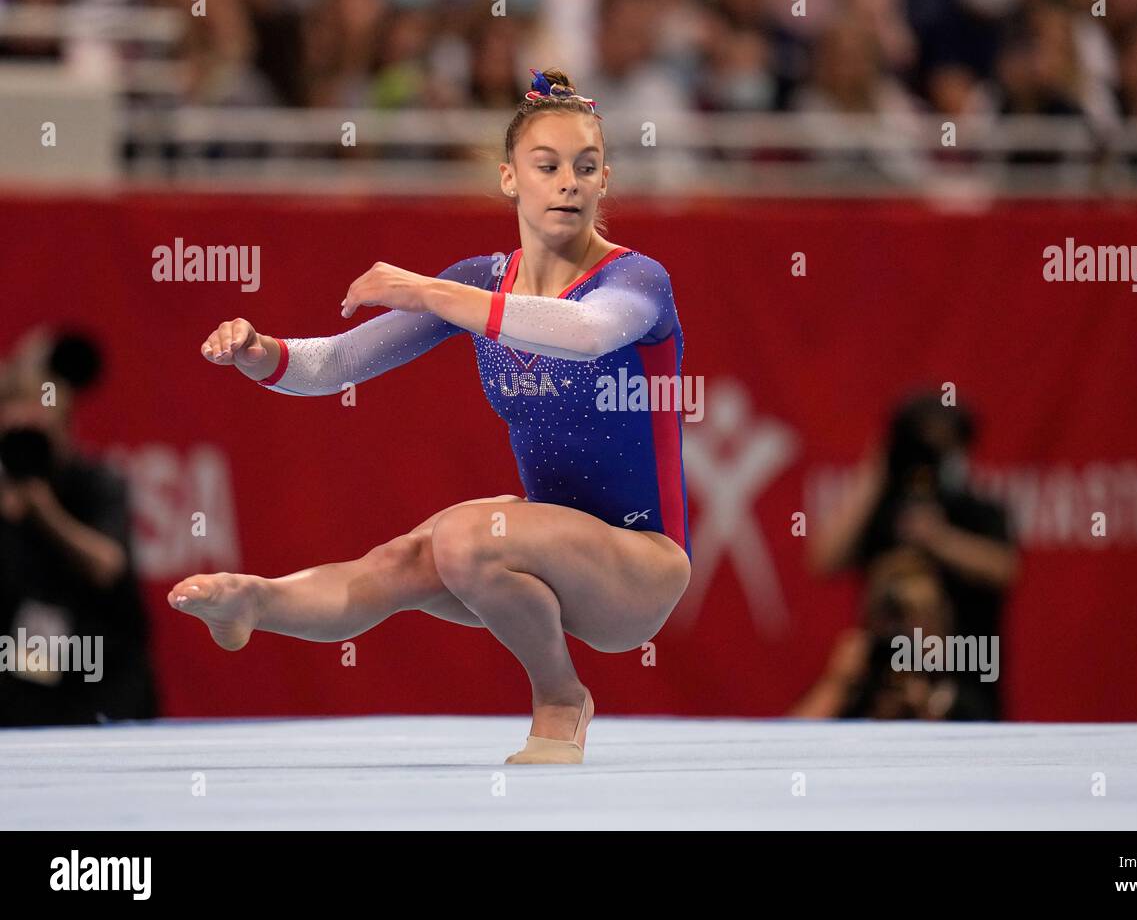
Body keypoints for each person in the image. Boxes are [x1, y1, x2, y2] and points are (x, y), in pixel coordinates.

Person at [170, 67, 692, 764]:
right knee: (405, 560)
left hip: (640, 566)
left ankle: (561, 699)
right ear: (510, 178)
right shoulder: (480, 281)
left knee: (469, 533)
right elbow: (333, 366)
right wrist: (261, 352)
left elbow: (586, 331)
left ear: (604, 180)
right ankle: (255, 604)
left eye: (587, 167)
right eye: (548, 165)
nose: (569, 181)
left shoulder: (636, 281)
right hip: (539, 555)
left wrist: (429, 291)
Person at [803, 393, 1017, 720]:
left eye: (942, 447)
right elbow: (824, 558)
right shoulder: (884, 513)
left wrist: (939, 539)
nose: (929, 458)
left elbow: (1005, 568)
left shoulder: (977, 512)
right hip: (881, 683)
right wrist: (876, 471)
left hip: (965, 675)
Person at [0, 332, 159, 726]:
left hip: (105, 680)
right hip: (20, 687)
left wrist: (43, 509)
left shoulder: (97, 482)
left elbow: (106, 564)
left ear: (64, 427)